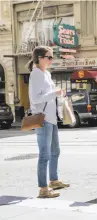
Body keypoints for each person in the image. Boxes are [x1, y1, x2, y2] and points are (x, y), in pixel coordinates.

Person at [28, 46, 70, 198]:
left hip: (51, 119)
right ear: (39, 58)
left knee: (55, 152)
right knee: (44, 154)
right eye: (49, 57)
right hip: (43, 119)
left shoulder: (46, 73)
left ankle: (54, 180)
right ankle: (43, 188)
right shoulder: (36, 74)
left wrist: (58, 94)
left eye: (52, 57)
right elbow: (35, 99)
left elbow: (47, 95)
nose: (52, 60)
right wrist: (55, 92)